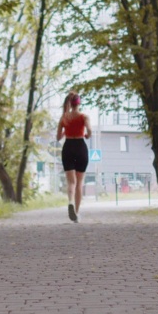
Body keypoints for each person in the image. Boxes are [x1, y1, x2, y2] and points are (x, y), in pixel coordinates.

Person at [55, 91, 91, 223]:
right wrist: (87, 135)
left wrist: (65, 131)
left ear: (70, 103)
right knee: (79, 183)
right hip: (81, 147)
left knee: (71, 182)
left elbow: (58, 137)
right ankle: (76, 212)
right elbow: (89, 131)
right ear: (79, 103)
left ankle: (70, 202)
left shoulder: (64, 118)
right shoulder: (83, 117)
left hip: (68, 147)